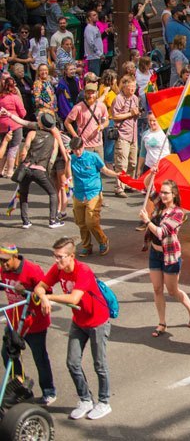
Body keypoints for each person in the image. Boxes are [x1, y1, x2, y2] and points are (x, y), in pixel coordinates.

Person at [34, 237, 111, 420]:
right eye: (55, 256)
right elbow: (40, 287)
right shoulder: (57, 269)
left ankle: (104, 402)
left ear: (71, 257)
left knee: (99, 364)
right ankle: (85, 400)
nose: (56, 260)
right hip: (79, 321)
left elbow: (74, 298)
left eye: (60, 257)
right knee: (72, 362)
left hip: (97, 322)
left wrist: (49, 298)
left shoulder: (83, 271)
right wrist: (44, 297)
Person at [137, 179, 190, 337]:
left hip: (170, 256)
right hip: (155, 253)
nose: (162, 195)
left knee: (172, 291)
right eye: (162, 192)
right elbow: (147, 185)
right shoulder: (159, 205)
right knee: (157, 289)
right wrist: (152, 172)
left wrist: (147, 220)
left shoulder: (178, 213)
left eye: (166, 193)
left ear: (174, 194)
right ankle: (162, 323)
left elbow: (161, 232)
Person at [0, 244, 57, 406]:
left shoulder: (32, 270)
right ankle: (21, 387)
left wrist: (25, 291)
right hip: (14, 322)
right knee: (7, 355)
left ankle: (49, 391)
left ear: (15, 257)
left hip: (34, 322)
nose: (3, 264)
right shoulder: (3, 269)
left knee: (39, 358)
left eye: (5, 261)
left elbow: (48, 292)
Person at [0, 110, 68, 228]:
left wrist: (22, 164)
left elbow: (24, 149)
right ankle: (53, 220)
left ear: (41, 123)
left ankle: (25, 221)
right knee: (52, 193)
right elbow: (54, 155)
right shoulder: (54, 137)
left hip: (26, 168)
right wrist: (66, 164)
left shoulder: (32, 133)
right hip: (40, 170)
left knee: (23, 193)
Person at [68, 136, 120, 256]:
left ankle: (103, 241)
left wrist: (117, 175)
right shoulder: (71, 159)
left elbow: (105, 170)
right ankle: (87, 246)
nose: (77, 152)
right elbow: (67, 175)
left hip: (93, 193)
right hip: (79, 194)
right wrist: (66, 160)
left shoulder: (93, 157)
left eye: (79, 149)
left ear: (83, 146)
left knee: (91, 221)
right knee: (81, 222)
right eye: (74, 150)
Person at [64, 75, 108, 156]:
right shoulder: (78, 107)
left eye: (93, 93)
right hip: (85, 145)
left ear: (97, 93)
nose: (91, 95)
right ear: (84, 93)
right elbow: (67, 122)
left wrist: (102, 126)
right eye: (88, 93)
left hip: (99, 145)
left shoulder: (101, 106)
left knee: (99, 168)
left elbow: (106, 120)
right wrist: (75, 136)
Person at [110, 76, 139, 197]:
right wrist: (130, 114)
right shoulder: (119, 99)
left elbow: (136, 114)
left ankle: (128, 183)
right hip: (122, 133)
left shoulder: (135, 98)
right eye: (130, 86)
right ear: (124, 86)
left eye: (134, 86)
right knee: (122, 163)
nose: (132, 89)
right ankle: (119, 187)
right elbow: (115, 116)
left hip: (133, 134)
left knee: (132, 162)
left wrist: (136, 114)